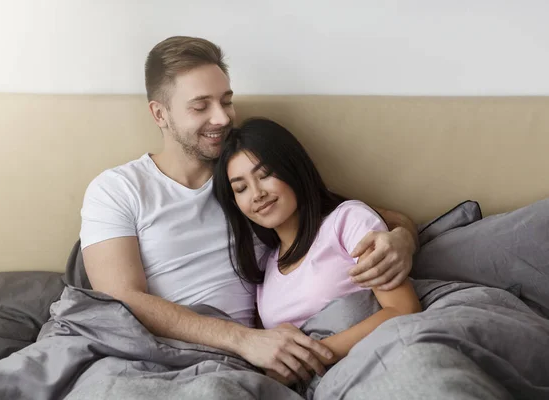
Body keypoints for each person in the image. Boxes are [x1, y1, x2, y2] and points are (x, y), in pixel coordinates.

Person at [79, 35, 419, 384]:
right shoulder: (118, 189)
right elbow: (119, 299)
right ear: (160, 114)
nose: (222, 117)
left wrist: (403, 239)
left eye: (226, 101)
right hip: (162, 352)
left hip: (237, 367)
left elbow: (342, 211)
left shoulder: (247, 177)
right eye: (201, 106)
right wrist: (245, 340)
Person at [212, 118, 422, 384]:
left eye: (265, 175)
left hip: (369, 366)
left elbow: (403, 308)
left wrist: (311, 357)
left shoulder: (346, 221)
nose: (257, 194)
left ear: (292, 168)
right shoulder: (266, 267)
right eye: (241, 188)